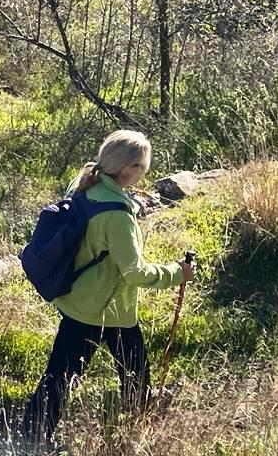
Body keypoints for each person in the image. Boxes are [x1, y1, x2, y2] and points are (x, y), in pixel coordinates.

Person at [21, 130, 197, 443]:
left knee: (59, 378)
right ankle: (138, 431)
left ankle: (31, 437)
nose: (144, 172)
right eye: (142, 166)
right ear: (129, 169)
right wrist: (176, 273)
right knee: (134, 374)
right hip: (109, 310)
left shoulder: (86, 185)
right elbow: (135, 272)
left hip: (79, 303)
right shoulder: (117, 215)